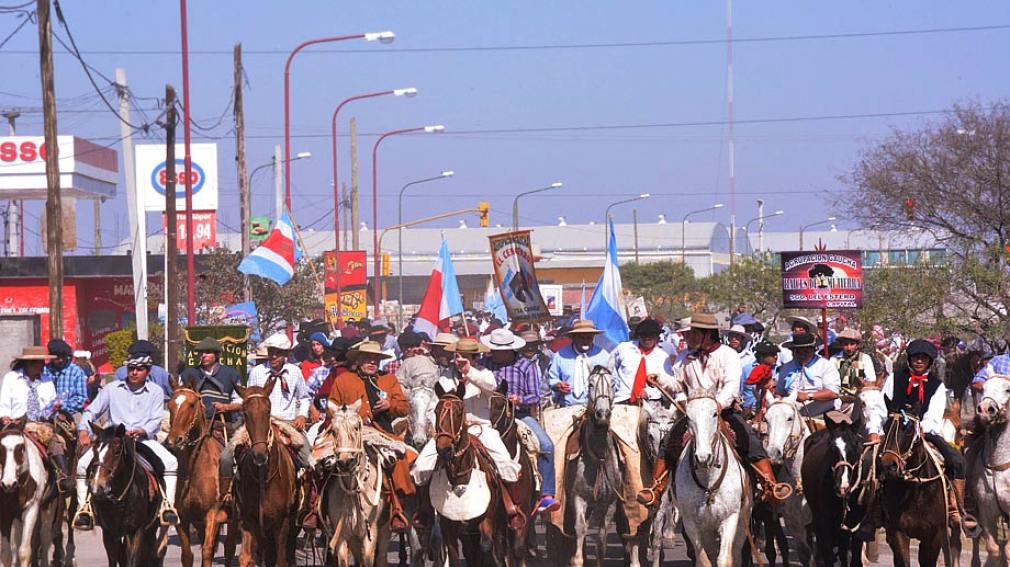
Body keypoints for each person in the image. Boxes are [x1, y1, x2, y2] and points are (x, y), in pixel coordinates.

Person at [640, 312, 781, 506]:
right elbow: (677, 384)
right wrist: (660, 379)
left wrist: (718, 404)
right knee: (668, 443)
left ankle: (770, 485)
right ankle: (656, 489)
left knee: (748, 438)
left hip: (723, 411)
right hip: (694, 413)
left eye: (694, 334)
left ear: (708, 334)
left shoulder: (727, 355)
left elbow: (732, 385)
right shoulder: (685, 357)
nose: (689, 338)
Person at [863, 339, 972, 529]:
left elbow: (934, 417)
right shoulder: (895, 378)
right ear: (910, 359)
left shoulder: (936, 385)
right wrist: (873, 430)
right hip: (893, 431)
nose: (919, 362)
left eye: (923, 359)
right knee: (867, 461)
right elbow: (880, 408)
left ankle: (956, 508)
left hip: (924, 432)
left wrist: (920, 429)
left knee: (957, 461)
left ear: (930, 362)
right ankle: (871, 512)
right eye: (915, 358)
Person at [73, 352, 179, 529]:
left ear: (148, 371)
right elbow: (91, 411)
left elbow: (155, 419)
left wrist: (143, 430)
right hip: (113, 441)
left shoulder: (156, 391)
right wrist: (83, 429)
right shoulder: (112, 389)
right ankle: (84, 509)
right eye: (131, 369)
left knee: (171, 462)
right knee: (83, 465)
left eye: (139, 369)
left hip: (142, 440)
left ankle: (167, 506)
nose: (134, 372)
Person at [327, 341, 413, 532]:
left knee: (399, 459)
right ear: (358, 360)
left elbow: (405, 406)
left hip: (380, 433)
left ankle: (397, 507)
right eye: (367, 358)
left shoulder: (388, 380)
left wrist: (390, 405)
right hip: (348, 433)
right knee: (319, 461)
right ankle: (315, 507)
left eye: (375, 359)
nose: (372, 362)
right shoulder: (343, 380)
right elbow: (331, 405)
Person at [219, 333, 311, 503]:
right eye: (271, 352)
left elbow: (304, 397)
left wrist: (302, 415)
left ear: (286, 355)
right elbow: (247, 397)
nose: (273, 356)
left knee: (308, 459)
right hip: (258, 424)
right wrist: (232, 405)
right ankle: (226, 499)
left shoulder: (295, 372)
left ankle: (307, 505)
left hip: (287, 423)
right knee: (225, 457)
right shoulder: (257, 372)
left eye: (278, 352)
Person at [481, 328, 560, 513]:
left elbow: (535, 396)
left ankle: (546, 495)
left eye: (499, 349)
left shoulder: (526, 366)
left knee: (546, 445)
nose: (495, 353)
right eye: (494, 349)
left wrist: (519, 399)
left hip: (518, 415)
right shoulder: (484, 364)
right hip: (487, 415)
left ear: (509, 349)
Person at [0, 346, 73, 492]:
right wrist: (6, 418)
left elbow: (50, 406)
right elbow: (4, 404)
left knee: (55, 442)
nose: (43, 365)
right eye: (39, 362)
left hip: (41, 425)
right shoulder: (11, 379)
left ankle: (63, 477)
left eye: (43, 362)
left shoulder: (47, 381)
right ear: (29, 363)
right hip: (15, 424)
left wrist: (56, 411)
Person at [547, 319, 611, 407]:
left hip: (597, 409)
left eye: (589, 337)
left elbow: (613, 380)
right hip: (568, 407)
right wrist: (558, 385)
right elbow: (552, 378)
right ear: (573, 337)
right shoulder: (561, 355)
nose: (585, 341)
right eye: (582, 337)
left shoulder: (603, 356)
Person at [775, 332, 841, 417]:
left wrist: (808, 396)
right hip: (792, 413)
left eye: (806, 352)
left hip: (823, 412)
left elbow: (833, 393)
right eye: (798, 352)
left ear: (814, 350)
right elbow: (779, 392)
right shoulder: (786, 368)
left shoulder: (825, 366)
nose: (802, 355)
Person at [610, 318, 669, 404]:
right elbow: (610, 369)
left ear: (657, 336)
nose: (647, 338)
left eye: (651, 335)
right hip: (622, 400)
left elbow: (667, 385)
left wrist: (648, 392)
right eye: (643, 335)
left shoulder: (663, 357)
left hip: (650, 403)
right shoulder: (623, 348)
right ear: (638, 335)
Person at [43, 338, 88, 418]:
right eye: (57, 358)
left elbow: (81, 399)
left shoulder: (76, 372)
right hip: (46, 413)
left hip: (70, 414)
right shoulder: (44, 370)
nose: (60, 360)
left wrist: (62, 405)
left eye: (63, 357)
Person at [832, 328, 875, 396]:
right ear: (841, 345)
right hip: (839, 396)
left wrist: (861, 381)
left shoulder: (864, 358)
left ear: (857, 345)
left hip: (859, 395)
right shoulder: (834, 359)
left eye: (852, 344)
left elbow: (871, 381)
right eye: (846, 344)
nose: (849, 348)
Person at [744, 340, 780, 421]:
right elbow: (740, 390)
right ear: (762, 357)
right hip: (750, 413)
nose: (776, 357)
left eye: (776, 354)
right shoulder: (747, 370)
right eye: (772, 355)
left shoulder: (779, 370)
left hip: (773, 412)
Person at [725, 325, 757, 412]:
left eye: (737, 337)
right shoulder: (723, 355)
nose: (734, 339)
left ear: (742, 339)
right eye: (732, 336)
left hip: (744, 400)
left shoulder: (750, 358)